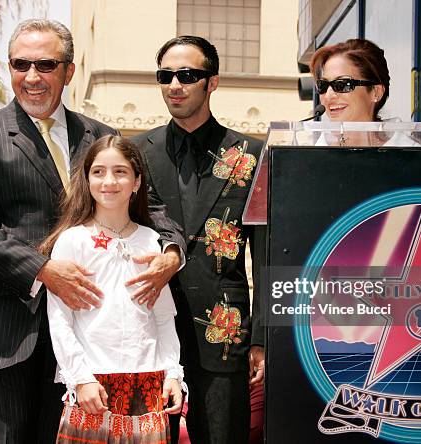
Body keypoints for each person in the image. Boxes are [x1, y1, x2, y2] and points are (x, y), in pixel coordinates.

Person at [0, 19, 183, 443]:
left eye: (46, 64)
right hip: (8, 331)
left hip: (94, 345)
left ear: (69, 71)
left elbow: (154, 210)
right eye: (21, 64)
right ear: (10, 68)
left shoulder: (104, 136)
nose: (33, 77)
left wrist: (171, 253)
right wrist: (44, 270)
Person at [132, 36, 265, 444]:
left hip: (223, 332)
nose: (175, 84)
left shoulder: (252, 154)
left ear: (212, 82)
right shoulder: (137, 152)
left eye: (187, 75)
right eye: (165, 75)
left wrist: (260, 337)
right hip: (149, 328)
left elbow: (263, 253)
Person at [40, 135, 183, 442]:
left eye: (120, 171)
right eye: (99, 172)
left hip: (149, 387)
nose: (109, 181)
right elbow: (60, 320)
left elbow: (163, 318)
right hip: (93, 387)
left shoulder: (151, 241)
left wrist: (173, 373)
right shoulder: (71, 240)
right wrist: (80, 379)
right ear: (87, 180)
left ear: (136, 182)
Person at [310, 38, 420, 146]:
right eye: (322, 85)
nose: (328, 96)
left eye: (342, 84)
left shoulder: (410, 155)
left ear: (376, 92)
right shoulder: (314, 155)